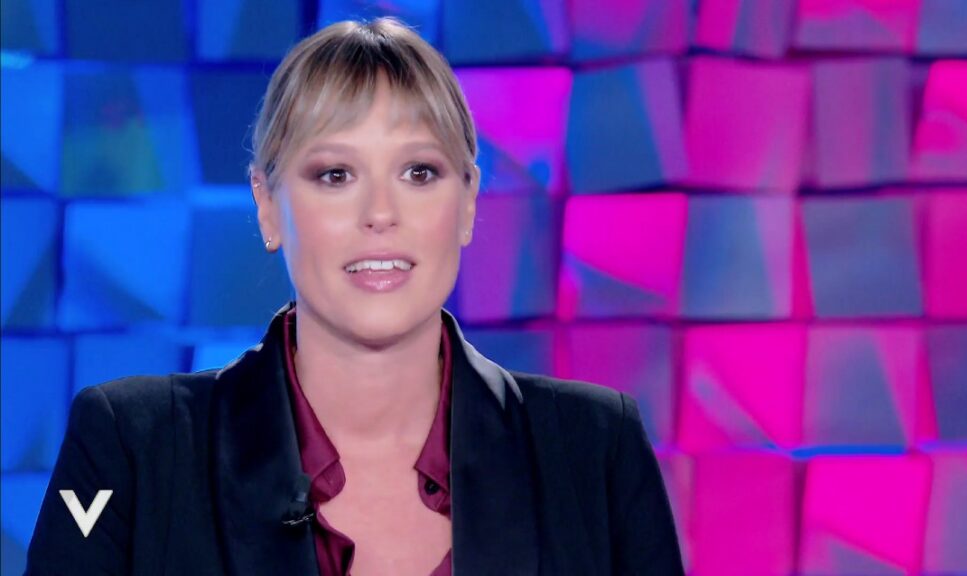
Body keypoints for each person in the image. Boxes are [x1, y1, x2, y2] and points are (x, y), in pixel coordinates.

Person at [25, 17, 684, 576]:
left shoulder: (596, 450)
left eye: (419, 172)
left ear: (467, 203)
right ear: (267, 206)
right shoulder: (133, 448)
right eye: (336, 175)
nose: (380, 214)